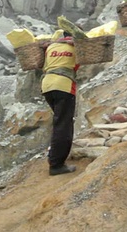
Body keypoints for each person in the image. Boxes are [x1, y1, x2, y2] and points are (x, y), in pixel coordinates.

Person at [41, 31, 80, 176]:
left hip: (47, 86)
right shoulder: (78, 46)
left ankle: (53, 154)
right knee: (64, 125)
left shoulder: (51, 47)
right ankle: (56, 164)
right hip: (64, 85)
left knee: (58, 122)